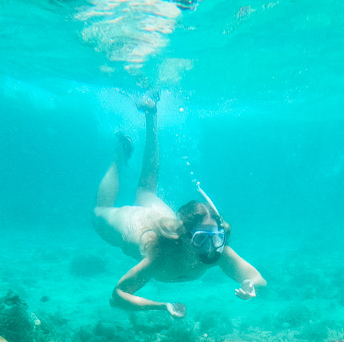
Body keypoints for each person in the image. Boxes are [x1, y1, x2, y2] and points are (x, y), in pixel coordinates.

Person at [92, 97, 266, 318]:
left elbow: (258, 278)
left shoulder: (216, 248)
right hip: (135, 226)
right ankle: (119, 154)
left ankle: (151, 115)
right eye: (202, 239)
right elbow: (117, 296)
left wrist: (251, 285)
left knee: (146, 190)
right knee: (97, 213)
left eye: (217, 237)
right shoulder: (160, 255)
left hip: (164, 221)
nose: (211, 248)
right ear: (184, 237)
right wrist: (162, 306)